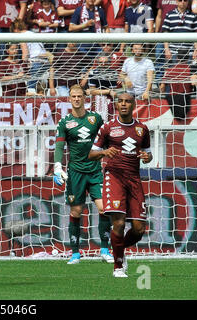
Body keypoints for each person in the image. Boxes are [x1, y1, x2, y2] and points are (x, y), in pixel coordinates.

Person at [88, 92, 153, 278]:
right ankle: (117, 267)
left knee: (139, 229)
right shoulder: (107, 127)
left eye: (127, 102)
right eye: (121, 101)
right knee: (118, 222)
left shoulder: (142, 129)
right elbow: (91, 154)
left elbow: (148, 155)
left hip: (134, 179)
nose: (123, 104)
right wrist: (105, 152)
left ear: (134, 105)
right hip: (113, 177)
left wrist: (148, 157)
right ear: (117, 105)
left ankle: (118, 249)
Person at [53, 84, 114, 265]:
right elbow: (59, 146)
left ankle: (104, 249)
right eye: (74, 96)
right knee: (76, 211)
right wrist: (57, 167)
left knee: (104, 208)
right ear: (69, 98)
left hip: (95, 171)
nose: (77, 99)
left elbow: (107, 139)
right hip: (76, 173)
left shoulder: (95, 118)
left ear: (85, 98)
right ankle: (75, 253)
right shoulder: (65, 122)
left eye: (80, 96)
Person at [10, 18, 54, 95]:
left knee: (31, 85)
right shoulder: (31, 33)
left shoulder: (22, 36)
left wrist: (23, 65)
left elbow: (25, 52)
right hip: (46, 61)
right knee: (39, 84)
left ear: (16, 29)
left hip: (37, 61)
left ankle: (33, 102)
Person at [87, 43, 125, 121]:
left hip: (109, 101)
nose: (103, 65)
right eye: (101, 62)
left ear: (109, 63)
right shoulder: (92, 72)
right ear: (97, 63)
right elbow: (92, 91)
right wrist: (108, 91)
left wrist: (109, 93)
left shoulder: (113, 73)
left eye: (106, 63)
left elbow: (113, 93)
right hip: (96, 101)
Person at [160, 49, 192, 122]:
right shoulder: (190, 70)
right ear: (188, 58)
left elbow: (162, 87)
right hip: (187, 100)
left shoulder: (170, 70)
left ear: (177, 57)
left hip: (173, 100)